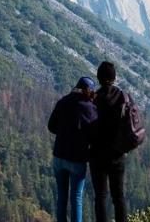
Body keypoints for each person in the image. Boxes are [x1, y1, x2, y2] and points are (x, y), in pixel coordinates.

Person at [48, 76, 98, 222]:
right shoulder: (90, 108)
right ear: (89, 91)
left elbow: (51, 126)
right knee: (76, 198)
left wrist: (64, 132)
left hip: (59, 155)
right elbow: (94, 135)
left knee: (61, 197)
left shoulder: (62, 102)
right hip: (77, 158)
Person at [90, 61, 129, 222]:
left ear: (98, 78)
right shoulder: (122, 96)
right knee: (118, 196)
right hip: (117, 154)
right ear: (114, 77)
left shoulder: (94, 98)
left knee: (100, 196)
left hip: (97, 154)